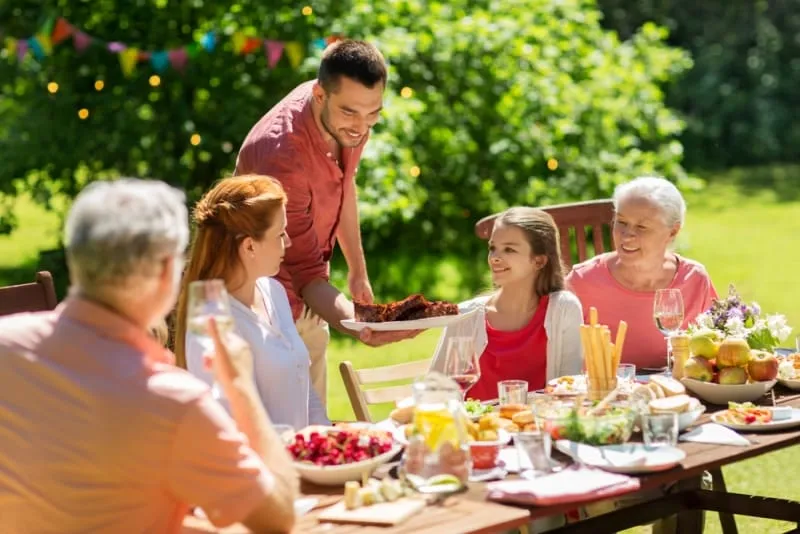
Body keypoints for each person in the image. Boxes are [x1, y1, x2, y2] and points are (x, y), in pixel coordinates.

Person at [0, 179, 298, 533]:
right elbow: (278, 518)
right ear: (164, 273)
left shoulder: (6, 346)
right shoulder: (176, 404)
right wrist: (240, 383)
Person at [234, 39, 417, 411]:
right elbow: (303, 271)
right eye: (352, 113)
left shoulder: (344, 120)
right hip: (259, 305)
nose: (362, 128)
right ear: (319, 96)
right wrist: (361, 324)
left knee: (313, 426)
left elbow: (343, 182)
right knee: (281, 436)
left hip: (311, 296)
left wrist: (358, 272)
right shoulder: (282, 154)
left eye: (373, 114)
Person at [175, 175, 328, 430]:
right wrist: (299, 450)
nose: (288, 242)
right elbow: (231, 425)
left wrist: (324, 436)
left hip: (302, 464)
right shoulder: (212, 321)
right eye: (280, 233)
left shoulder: (274, 291)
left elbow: (301, 381)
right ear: (249, 247)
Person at [431, 207, 584, 401]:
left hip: (538, 428)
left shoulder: (564, 309)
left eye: (509, 249)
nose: (494, 257)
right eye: (492, 247)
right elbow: (434, 391)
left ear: (539, 260)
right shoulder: (465, 315)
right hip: (475, 429)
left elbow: (569, 393)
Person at [566, 176, 718, 370]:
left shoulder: (694, 280)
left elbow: (715, 349)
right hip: (602, 396)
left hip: (673, 395)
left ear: (672, 232)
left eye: (641, 227)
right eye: (621, 222)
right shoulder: (582, 282)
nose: (627, 235)